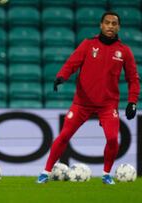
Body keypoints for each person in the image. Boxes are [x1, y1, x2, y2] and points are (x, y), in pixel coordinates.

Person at [36, 11, 140, 185]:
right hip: (82, 103)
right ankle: (45, 172)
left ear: (118, 27)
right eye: (107, 22)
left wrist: (132, 101)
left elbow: (133, 79)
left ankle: (106, 174)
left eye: (114, 23)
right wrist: (62, 76)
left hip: (108, 105)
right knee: (64, 136)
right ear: (101, 25)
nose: (110, 26)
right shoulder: (88, 44)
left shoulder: (124, 51)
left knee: (113, 139)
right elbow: (72, 63)